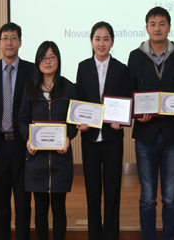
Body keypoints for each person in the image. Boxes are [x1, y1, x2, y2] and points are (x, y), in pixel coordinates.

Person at [127, 6, 174, 240]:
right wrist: (136, 114)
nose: (157, 28)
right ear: (146, 28)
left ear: (169, 27)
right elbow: (129, 93)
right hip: (145, 135)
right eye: (153, 24)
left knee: (171, 197)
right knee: (147, 198)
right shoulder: (135, 57)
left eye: (162, 24)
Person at [75, 21, 130, 240]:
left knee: (113, 191)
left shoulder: (121, 69)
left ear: (112, 42)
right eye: (97, 39)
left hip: (113, 138)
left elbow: (126, 99)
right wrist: (79, 121)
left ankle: (111, 236)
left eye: (106, 39)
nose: (101, 43)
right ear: (91, 41)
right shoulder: (83, 67)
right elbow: (79, 99)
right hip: (89, 139)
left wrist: (121, 120)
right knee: (93, 192)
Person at [18, 41, 78, 240]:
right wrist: (28, 139)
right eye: (43, 58)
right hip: (37, 160)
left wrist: (69, 136)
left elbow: (73, 120)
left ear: (58, 60)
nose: (48, 61)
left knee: (59, 208)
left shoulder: (68, 88)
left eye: (52, 57)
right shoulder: (30, 89)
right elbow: (22, 119)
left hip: (61, 159)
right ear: (38, 62)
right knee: (40, 208)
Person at [0, 23, 34, 240]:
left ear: (20, 42)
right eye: (5, 38)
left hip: (22, 144)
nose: (9, 42)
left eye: (13, 38)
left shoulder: (32, 71)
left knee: (23, 202)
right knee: (0, 203)